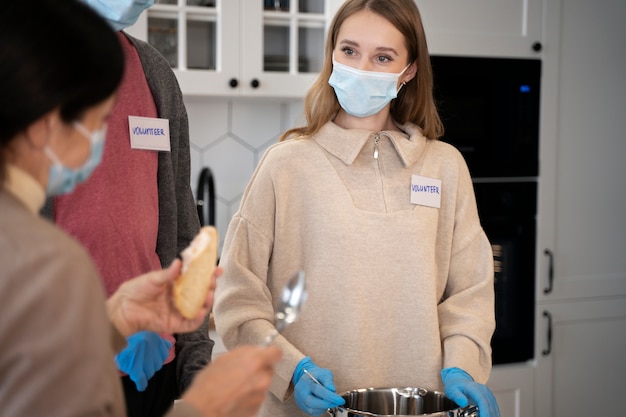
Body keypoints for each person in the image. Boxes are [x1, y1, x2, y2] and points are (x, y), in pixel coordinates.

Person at [213, 1, 500, 417]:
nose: (362, 67)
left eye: (383, 57)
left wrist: (463, 365)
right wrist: (292, 371)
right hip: (309, 409)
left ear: (410, 70)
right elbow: (238, 299)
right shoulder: (286, 164)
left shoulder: (445, 166)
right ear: (331, 56)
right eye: (349, 51)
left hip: (426, 405)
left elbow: (470, 293)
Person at [0, 1, 281, 417]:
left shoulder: (152, 72)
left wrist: (114, 321)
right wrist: (204, 407)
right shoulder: (45, 260)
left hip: (142, 363)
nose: (99, 151)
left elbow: (33, 372)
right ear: (42, 121)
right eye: (97, 125)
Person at [40, 0, 211, 415]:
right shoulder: (22, 67)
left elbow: (183, 229)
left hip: (151, 366)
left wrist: (194, 366)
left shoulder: (152, 71)